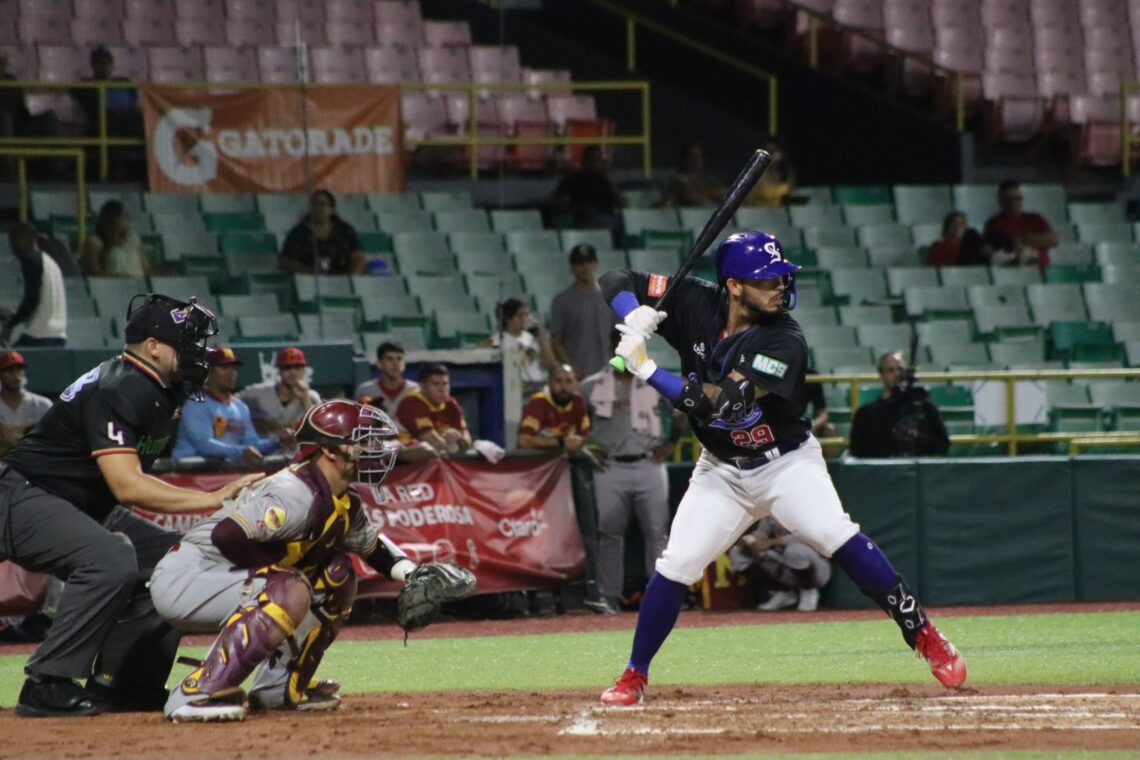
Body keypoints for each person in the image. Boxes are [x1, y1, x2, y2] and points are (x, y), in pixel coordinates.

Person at [595, 230, 966, 706]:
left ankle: (924, 635)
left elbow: (722, 404)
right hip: (722, 470)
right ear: (733, 285)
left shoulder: (785, 339)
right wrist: (634, 312)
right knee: (676, 565)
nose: (779, 285)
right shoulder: (692, 302)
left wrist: (646, 368)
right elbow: (614, 277)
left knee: (838, 534)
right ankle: (634, 675)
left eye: (781, 276)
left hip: (787, 465)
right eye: (767, 278)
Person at [0, 293, 258, 717]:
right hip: (24, 493)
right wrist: (212, 497)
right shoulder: (121, 384)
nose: (197, 352)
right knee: (111, 557)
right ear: (153, 346)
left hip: (77, 502)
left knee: (177, 559)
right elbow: (128, 486)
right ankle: (46, 683)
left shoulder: (161, 386)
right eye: (187, 342)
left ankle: (123, 685)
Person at [151, 400, 417, 722]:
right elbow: (228, 535)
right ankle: (197, 692)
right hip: (188, 578)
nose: (370, 448)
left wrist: (414, 575)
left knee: (337, 575)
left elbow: (372, 546)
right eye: (360, 440)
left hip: (226, 577)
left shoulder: (342, 500)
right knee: (286, 587)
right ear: (329, 451)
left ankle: (280, 689)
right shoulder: (295, 491)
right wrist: (282, 575)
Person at [578, 334, 675, 615]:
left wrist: (672, 443)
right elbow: (575, 421)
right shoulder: (592, 386)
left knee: (657, 532)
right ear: (615, 349)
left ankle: (661, 598)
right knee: (609, 532)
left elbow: (682, 411)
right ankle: (607, 597)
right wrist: (588, 448)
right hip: (610, 466)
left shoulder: (655, 382)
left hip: (649, 463)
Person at [172, 346, 286, 465]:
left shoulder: (240, 407)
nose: (231, 373)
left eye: (233, 368)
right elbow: (204, 445)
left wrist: (278, 441)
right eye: (224, 367)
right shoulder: (196, 404)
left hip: (222, 474)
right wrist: (241, 452)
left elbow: (251, 444)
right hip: (187, 473)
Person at [848, 352, 950, 459]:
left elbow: (943, 446)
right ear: (881, 375)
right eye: (891, 370)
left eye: (900, 369)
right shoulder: (866, 413)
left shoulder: (924, 408)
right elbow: (857, 452)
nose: (897, 374)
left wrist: (917, 436)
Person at [354, 342, 438, 463]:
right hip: (379, 443)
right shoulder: (365, 390)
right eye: (389, 359)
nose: (395, 364)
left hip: (410, 443)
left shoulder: (416, 390)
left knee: (427, 449)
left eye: (399, 359)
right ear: (379, 363)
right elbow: (359, 427)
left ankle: (394, 454)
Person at [728, 516, 831, 612]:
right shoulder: (769, 513)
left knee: (794, 550)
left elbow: (806, 537)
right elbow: (761, 535)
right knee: (737, 552)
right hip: (785, 564)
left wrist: (771, 542)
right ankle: (783, 593)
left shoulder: (801, 510)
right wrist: (751, 540)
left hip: (817, 569)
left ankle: (809, 591)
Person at [548, 244, 617, 379]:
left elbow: (619, 337)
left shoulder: (610, 297)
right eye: (580, 263)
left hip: (606, 373)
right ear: (572, 267)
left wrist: (615, 366)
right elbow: (556, 342)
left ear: (596, 264)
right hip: (575, 376)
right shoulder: (562, 301)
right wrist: (572, 369)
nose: (585, 267)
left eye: (589, 262)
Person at [1, 223, 67, 347]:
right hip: (58, 336)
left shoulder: (31, 260)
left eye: (14, 241)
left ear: (28, 239)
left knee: (7, 363)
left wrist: (11, 325)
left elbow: (32, 298)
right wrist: (17, 313)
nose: (13, 248)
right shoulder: (50, 263)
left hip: (39, 336)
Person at [239, 346, 321, 439]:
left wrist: (305, 400)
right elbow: (230, 403)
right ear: (279, 370)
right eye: (287, 367)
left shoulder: (311, 396)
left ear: (304, 370)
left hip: (297, 451)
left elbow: (320, 430)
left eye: (297, 367)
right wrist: (256, 422)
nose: (293, 372)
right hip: (266, 451)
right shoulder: (258, 392)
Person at [278, 189, 366, 275]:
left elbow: (358, 256)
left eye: (322, 204)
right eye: (314, 204)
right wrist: (309, 272)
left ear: (331, 209)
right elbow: (285, 261)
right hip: (308, 280)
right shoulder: (298, 233)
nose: (317, 208)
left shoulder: (345, 231)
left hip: (341, 280)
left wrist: (351, 279)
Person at [548, 145, 626, 242]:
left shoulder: (605, 181)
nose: (595, 164)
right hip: (584, 220)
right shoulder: (572, 180)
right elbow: (561, 205)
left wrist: (609, 180)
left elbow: (623, 204)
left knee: (627, 221)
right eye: (592, 160)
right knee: (607, 223)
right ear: (584, 161)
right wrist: (581, 208)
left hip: (607, 217)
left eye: (598, 160)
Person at [482, 297, 557, 395]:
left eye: (527, 315)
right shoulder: (498, 340)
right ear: (508, 319)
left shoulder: (532, 339)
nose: (524, 320)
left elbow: (549, 364)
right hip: (515, 388)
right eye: (520, 316)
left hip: (537, 384)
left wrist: (541, 340)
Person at [395, 363, 472, 455]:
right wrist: (447, 438)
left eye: (445, 384)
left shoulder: (451, 404)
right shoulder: (412, 403)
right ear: (423, 387)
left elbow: (467, 441)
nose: (442, 389)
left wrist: (460, 439)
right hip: (402, 460)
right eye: (435, 384)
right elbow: (434, 443)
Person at [516, 364, 590, 452]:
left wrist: (578, 442)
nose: (564, 387)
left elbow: (585, 436)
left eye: (569, 381)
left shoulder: (577, 401)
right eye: (558, 381)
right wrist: (560, 442)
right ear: (549, 383)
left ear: (575, 384)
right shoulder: (538, 402)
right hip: (542, 461)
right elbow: (523, 441)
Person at [983, 180, 1058, 268]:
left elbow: (1053, 240)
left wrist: (1020, 240)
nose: (1013, 203)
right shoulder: (993, 223)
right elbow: (987, 250)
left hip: (1041, 268)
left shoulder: (1035, 218)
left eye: (1017, 198)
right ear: (1001, 202)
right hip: (1010, 270)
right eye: (1008, 200)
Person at [70, 46, 141, 139]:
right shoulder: (85, 85)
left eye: (108, 63)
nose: (104, 67)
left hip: (126, 125)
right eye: (100, 63)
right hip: (100, 126)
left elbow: (135, 104)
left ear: (112, 64)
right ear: (93, 65)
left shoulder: (124, 82)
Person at [0, 350, 52, 455]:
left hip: (34, 462)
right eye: (10, 371)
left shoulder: (42, 404)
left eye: (19, 370)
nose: (16, 376)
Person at [80, 199, 151, 277]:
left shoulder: (134, 240)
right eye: (124, 216)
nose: (128, 220)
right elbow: (94, 273)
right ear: (112, 219)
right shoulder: (94, 243)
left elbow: (146, 268)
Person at [660, 143, 727, 208]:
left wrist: (703, 192)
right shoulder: (675, 178)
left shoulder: (708, 179)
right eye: (692, 156)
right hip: (683, 215)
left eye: (700, 156)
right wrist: (710, 194)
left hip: (706, 213)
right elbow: (688, 194)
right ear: (683, 158)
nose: (697, 159)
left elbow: (724, 192)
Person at [745, 138, 798, 207]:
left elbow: (791, 195)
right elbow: (749, 200)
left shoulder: (787, 173)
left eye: (773, 151)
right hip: (759, 213)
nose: (771, 155)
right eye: (768, 151)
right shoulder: (756, 173)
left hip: (782, 213)